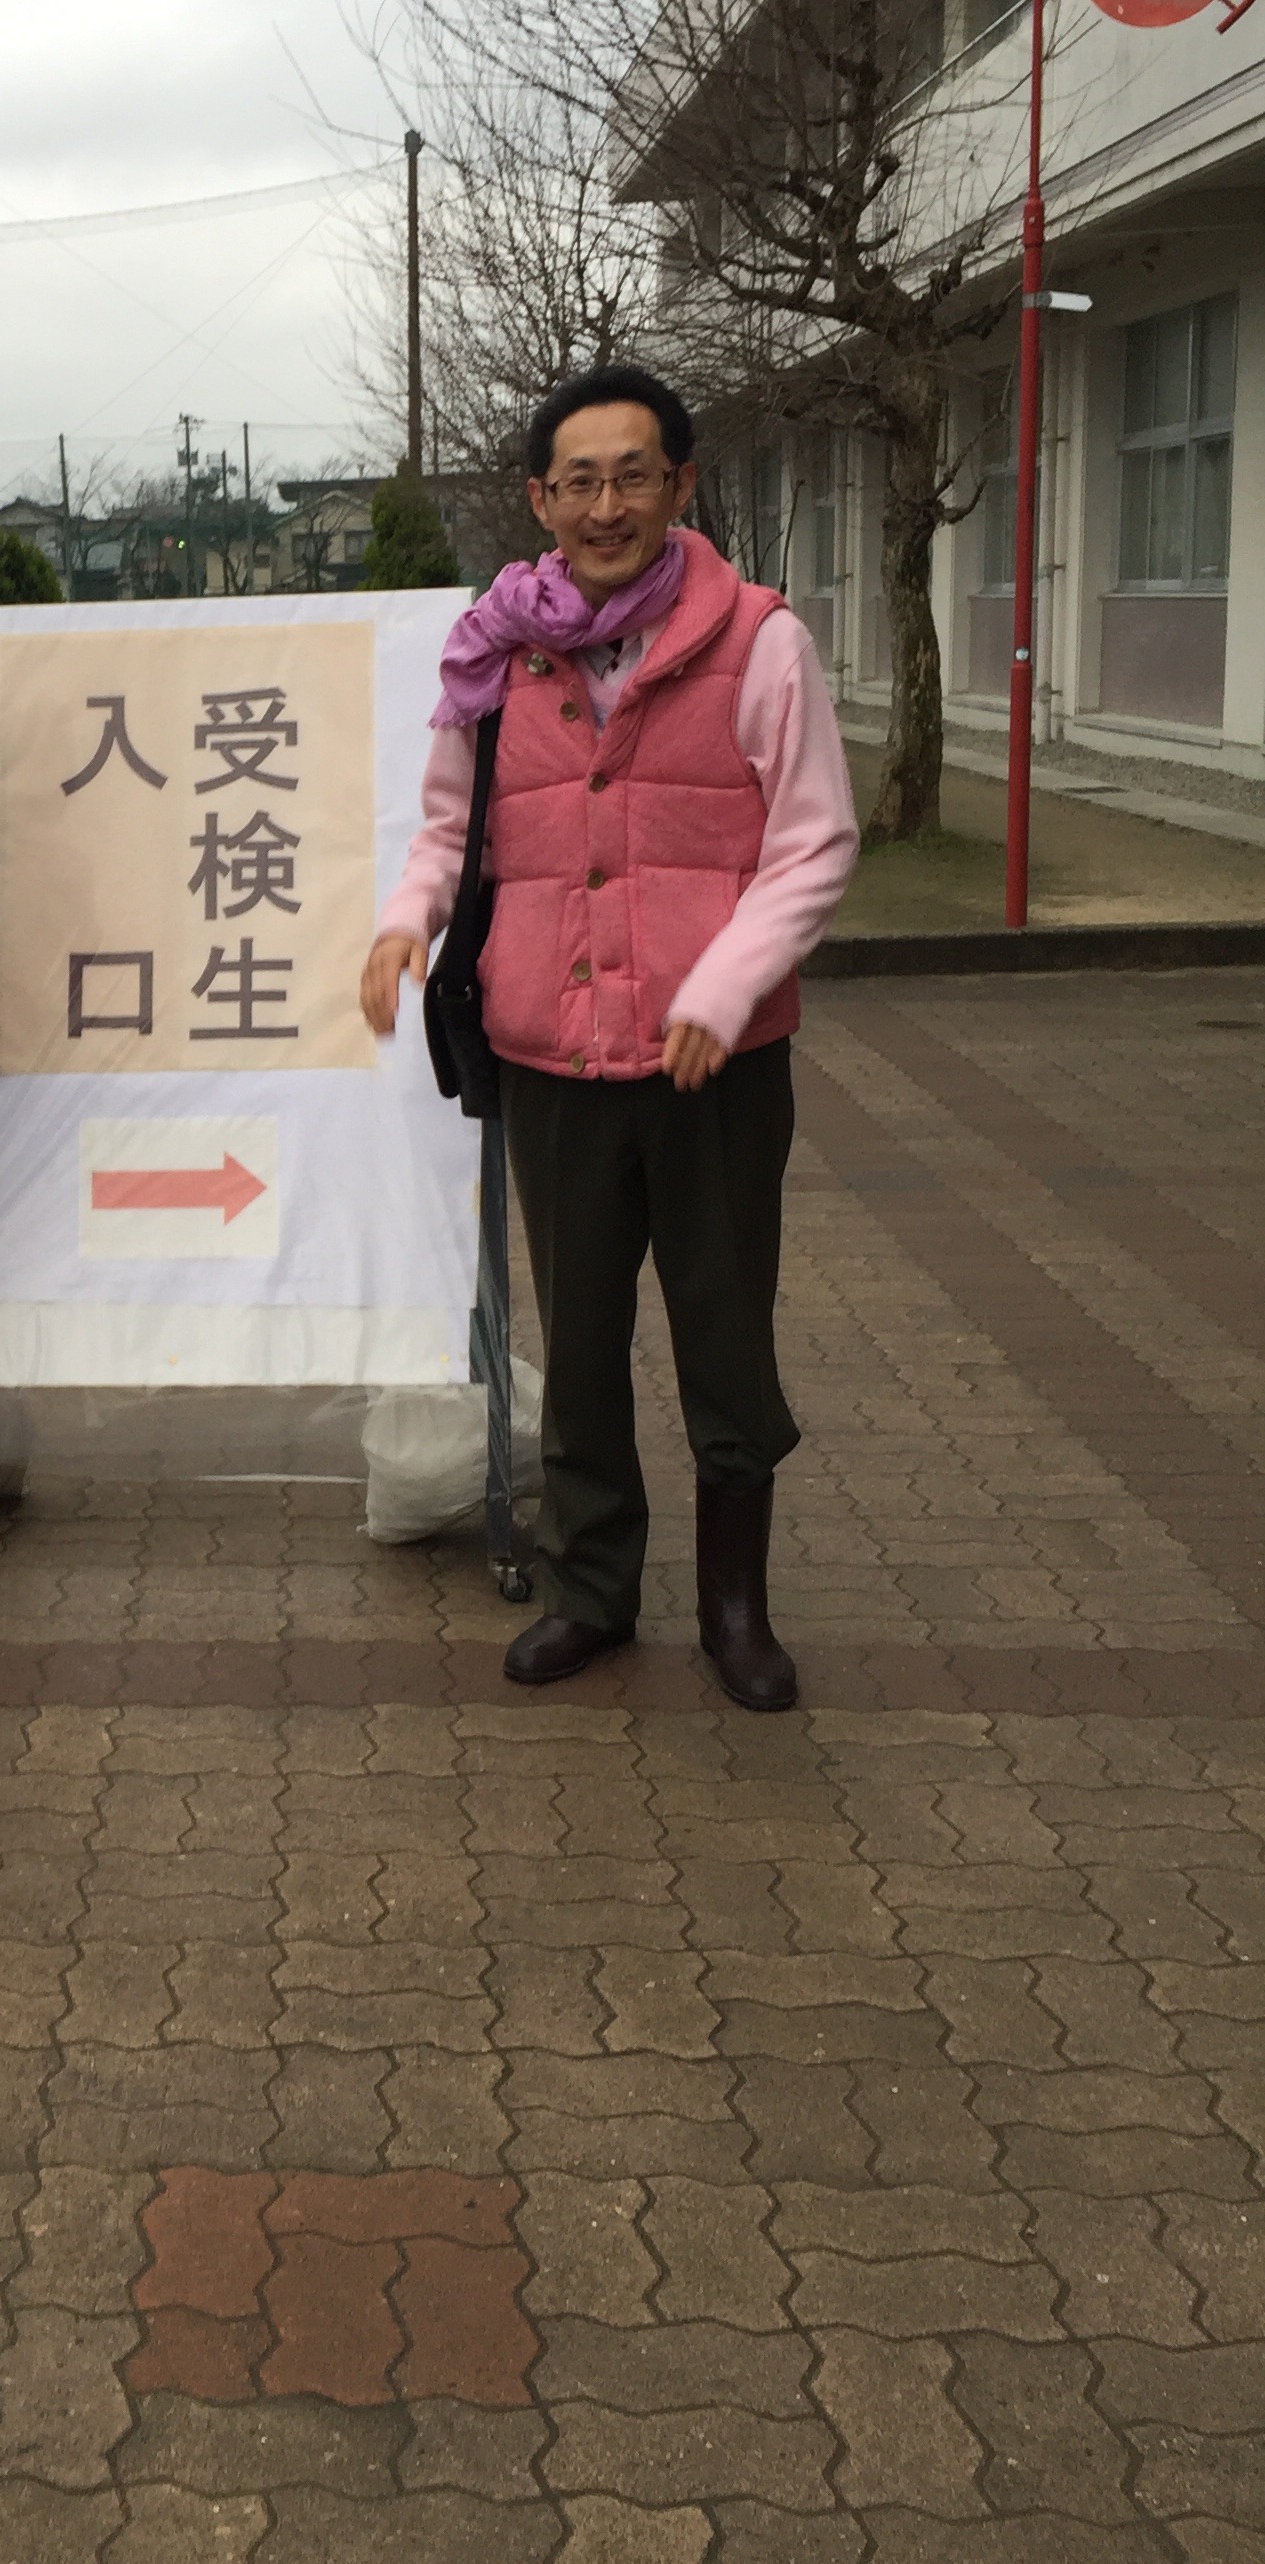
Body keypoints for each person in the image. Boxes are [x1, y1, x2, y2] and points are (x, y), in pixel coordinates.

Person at [362, 364, 858, 1709]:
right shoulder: (497, 651)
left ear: (679, 485)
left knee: (725, 1338)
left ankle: (735, 1608)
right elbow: (451, 831)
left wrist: (721, 988)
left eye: (633, 475)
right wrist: (406, 923)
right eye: (578, 481)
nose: (605, 506)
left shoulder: (759, 642)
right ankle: (589, 1591)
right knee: (578, 1343)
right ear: (539, 499)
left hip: (717, 1069)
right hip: (555, 1058)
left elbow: (814, 842)